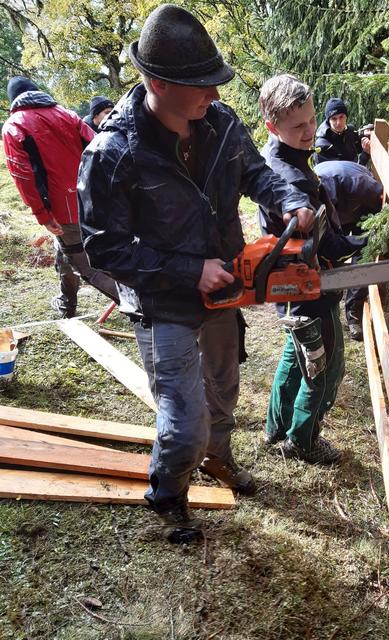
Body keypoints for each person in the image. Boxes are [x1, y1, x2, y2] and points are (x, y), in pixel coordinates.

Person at [78, 5, 314, 543]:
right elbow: (104, 247)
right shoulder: (114, 154)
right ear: (159, 82)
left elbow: (258, 174)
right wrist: (188, 271)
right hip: (163, 301)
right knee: (183, 422)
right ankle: (168, 492)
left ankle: (218, 459)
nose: (212, 93)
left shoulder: (221, 122)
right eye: (201, 85)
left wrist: (291, 201)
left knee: (223, 392)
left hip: (226, 284)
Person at [258, 74, 366, 465]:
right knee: (325, 367)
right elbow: (311, 236)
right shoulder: (286, 177)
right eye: (297, 126)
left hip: (295, 294)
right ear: (272, 127)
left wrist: (349, 241)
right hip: (307, 290)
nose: (309, 132)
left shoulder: (287, 157)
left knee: (295, 355)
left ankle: (276, 426)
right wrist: (345, 245)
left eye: (310, 120)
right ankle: (301, 441)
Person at [2, 76, 119, 318]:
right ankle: (67, 304)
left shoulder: (15, 125)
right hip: (93, 199)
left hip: (62, 210)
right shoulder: (67, 114)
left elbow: (23, 176)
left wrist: (42, 215)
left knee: (86, 267)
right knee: (66, 253)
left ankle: (146, 307)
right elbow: (100, 147)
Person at [314, 160, 383, 341]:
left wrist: (374, 234)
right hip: (337, 211)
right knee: (332, 250)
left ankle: (353, 313)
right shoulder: (314, 191)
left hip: (363, 208)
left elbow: (382, 198)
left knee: (363, 256)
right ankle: (332, 297)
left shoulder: (363, 186)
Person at [313, 97, 371, 166]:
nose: (339, 123)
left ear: (346, 117)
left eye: (341, 117)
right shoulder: (323, 145)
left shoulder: (349, 131)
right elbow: (344, 174)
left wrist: (364, 135)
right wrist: (365, 155)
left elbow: (355, 146)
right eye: (334, 119)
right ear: (329, 121)